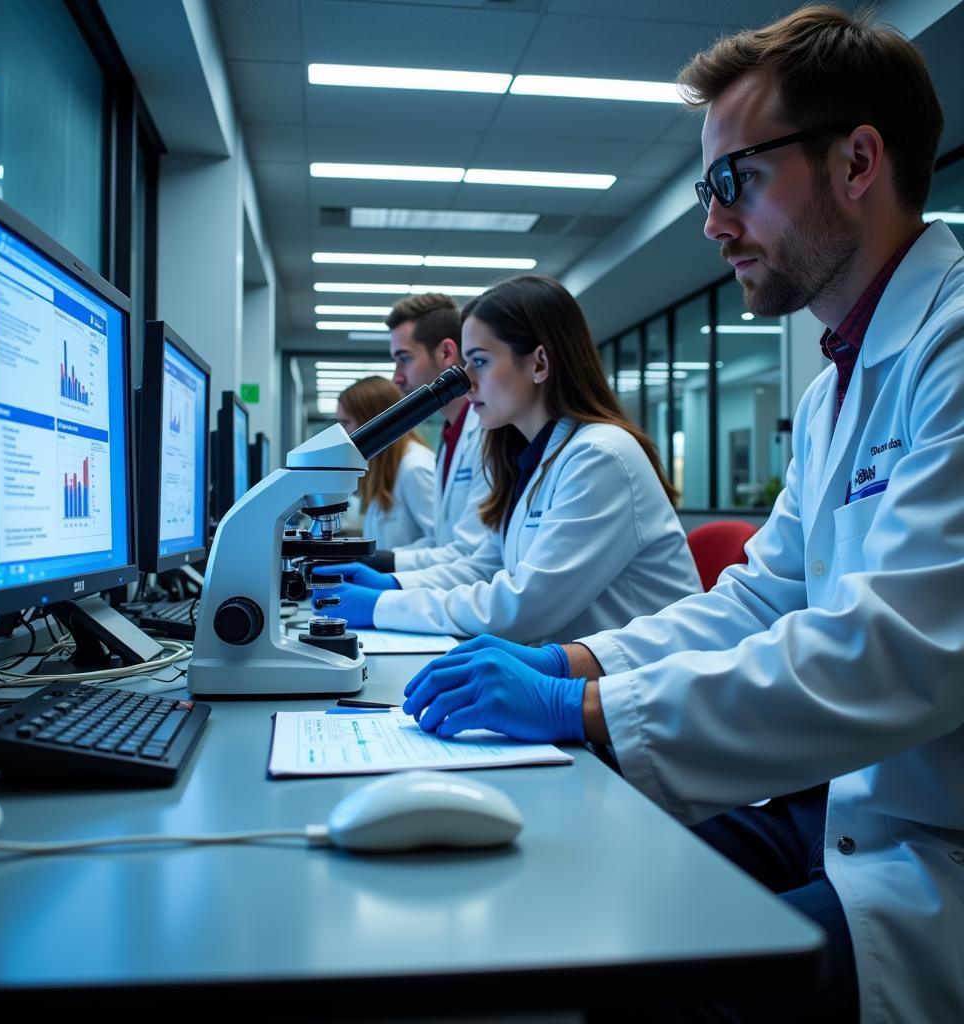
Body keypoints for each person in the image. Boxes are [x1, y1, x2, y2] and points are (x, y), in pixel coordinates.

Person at [400, 7, 964, 1022]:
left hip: (934, 844)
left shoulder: (953, 349)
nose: (711, 221)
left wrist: (586, 711)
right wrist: (578, 667)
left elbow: (901, 651)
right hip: (833, 799)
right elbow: (759, 598)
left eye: (729, 181)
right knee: (569, 896)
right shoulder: (835, 387)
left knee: (648, 985)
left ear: (857, 161)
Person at [324, 275, 702, 644]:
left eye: (480, 361)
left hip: (646, 689)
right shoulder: (528, 457)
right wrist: (393, 583)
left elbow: (528, 605)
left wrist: (384, 605)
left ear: (539, 363)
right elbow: (485, 566)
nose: (466, 381)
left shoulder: (599, 456)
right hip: (583, 679)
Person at [360, 293, 492, 572]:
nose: (396, 377)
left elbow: (473, 552)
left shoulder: (486, 434)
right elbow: (441, 541)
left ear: (445, 353)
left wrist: (380, 563)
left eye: (404, 359)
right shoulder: (449, 437)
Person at [335, 376, 435, 549]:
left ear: (371, 420)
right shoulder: (383, 468)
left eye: (346, 423)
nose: (343, 434)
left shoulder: (415, 467)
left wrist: (384, 561)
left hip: (409, 575)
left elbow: (441, 543)